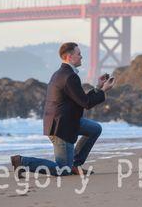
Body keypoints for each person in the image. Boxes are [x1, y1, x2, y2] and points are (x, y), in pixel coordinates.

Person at [10, 42, 115, 176]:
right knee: (62, 170)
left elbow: (81, 99)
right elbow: (87, 103)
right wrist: (104, 90)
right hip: (60, 128)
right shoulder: (69, 76)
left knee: (95, 129)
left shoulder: (64, 73)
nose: (81, 57)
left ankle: (75, 165)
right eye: (79, 54)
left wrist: (98, 88)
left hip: (69, 121)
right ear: (69, 57)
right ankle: (22, 161)